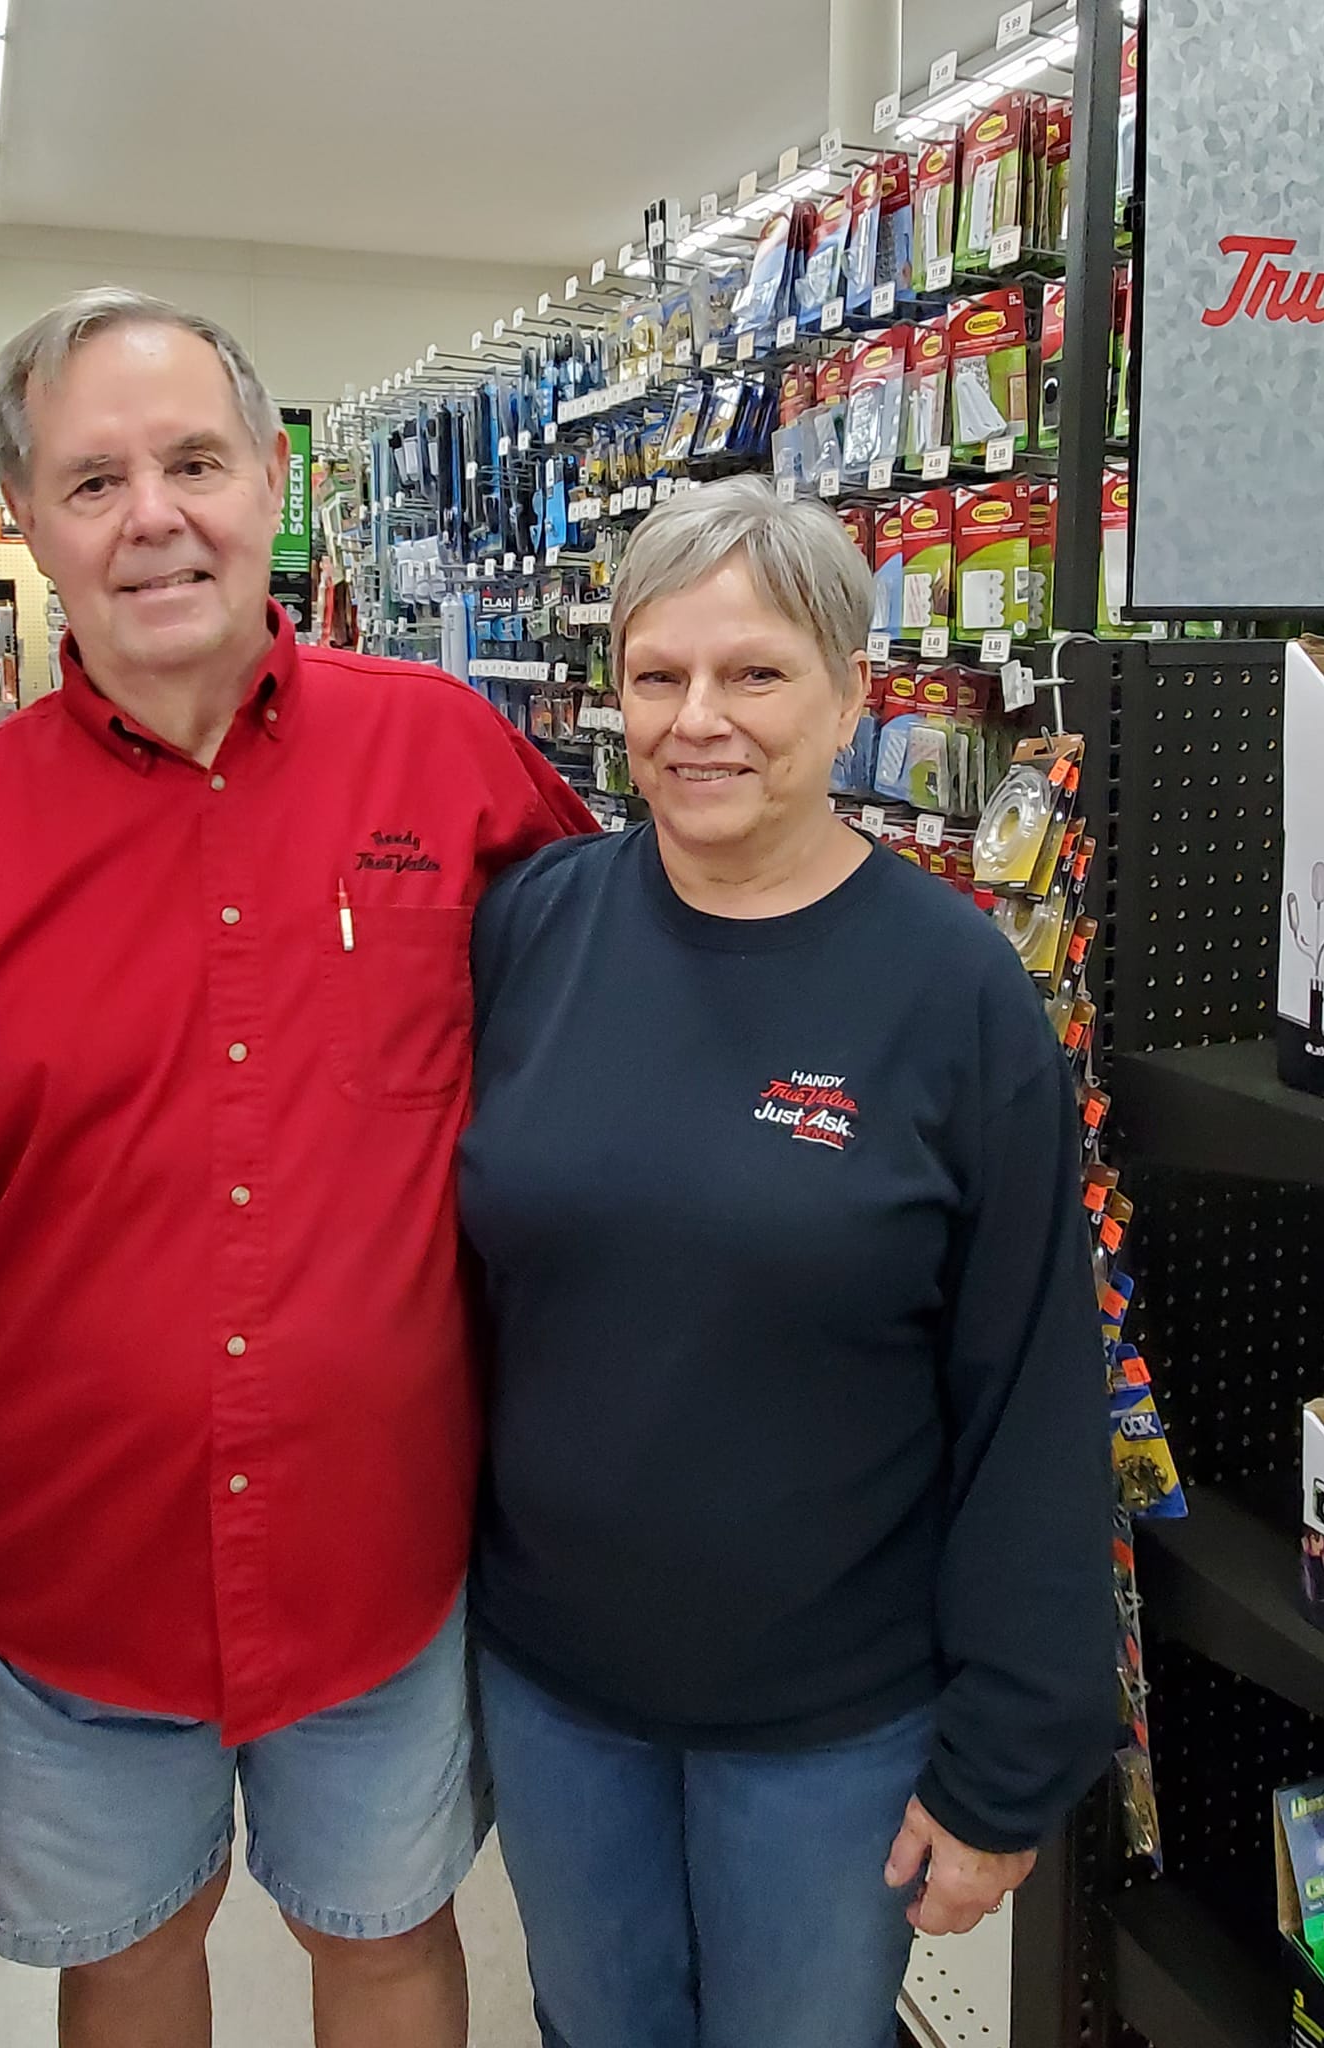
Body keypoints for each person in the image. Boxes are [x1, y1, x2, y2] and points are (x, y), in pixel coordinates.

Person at [0, 288, 594, 2048]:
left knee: (387, 1935)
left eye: (194, 461)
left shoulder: (453, 760)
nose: (155, 515)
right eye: (95, 478)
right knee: (128, 1948)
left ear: (274, 478)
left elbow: (618, 1063)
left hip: (386, 1561)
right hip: (68, 1595)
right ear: (29, 523)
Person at [458, 477, 1118, 2048]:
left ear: (852, 698)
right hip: (557, 1688)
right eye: (657, 676)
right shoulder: (536, 928)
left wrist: (1009, 1757)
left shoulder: (956, 995)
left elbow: (1034, 1393)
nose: (701, 720)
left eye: (754, 673)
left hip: (834, 1723)